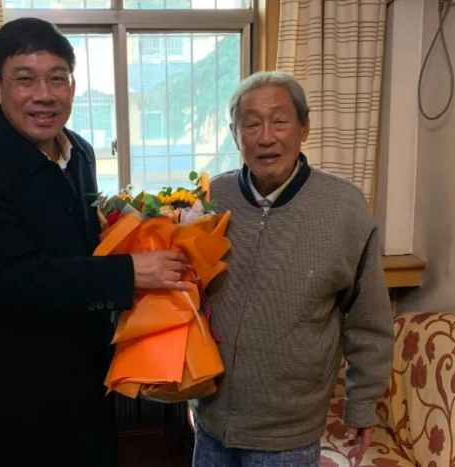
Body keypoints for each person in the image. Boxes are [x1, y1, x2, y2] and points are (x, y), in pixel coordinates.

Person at [0, 17, 187, 466]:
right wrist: (129, 272)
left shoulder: (79, 151)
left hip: (91, 371)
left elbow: (81, 244)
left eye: (57, 78)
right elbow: (12, 278)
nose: (43, 94)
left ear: (72, 85)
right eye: (25, 79)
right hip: (22, 388)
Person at [190, 71, 394, 466]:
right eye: (252, 124)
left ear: (304, 128)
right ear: (235, 134)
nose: (266, 137)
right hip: (211, 421)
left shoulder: (344, 208)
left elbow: (369, 321)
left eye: (280, 121)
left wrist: (362, 405)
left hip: (289, 434)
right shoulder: (211, 199)